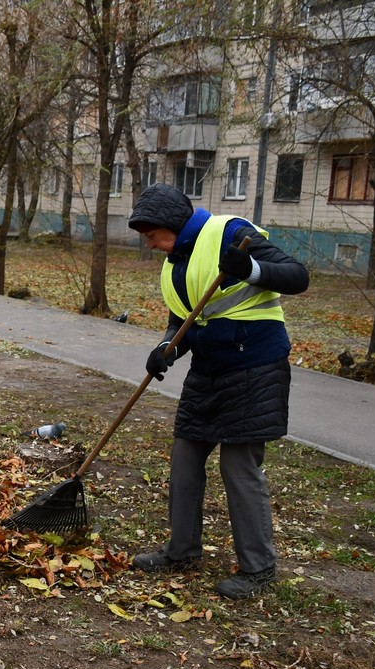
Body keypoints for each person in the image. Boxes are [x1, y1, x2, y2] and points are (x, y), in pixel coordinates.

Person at [126, 183, 309, 599]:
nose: (151, 245)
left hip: (254, 369)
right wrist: (164, 350)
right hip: (208, 373)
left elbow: (298, 277)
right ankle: (181, 550)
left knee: (239, 468)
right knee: (185, 458)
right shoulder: (175, 263)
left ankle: (258, 569)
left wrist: (250, 269)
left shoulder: (230, 232)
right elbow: (186, 319)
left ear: (172, 225)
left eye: (153, 236)